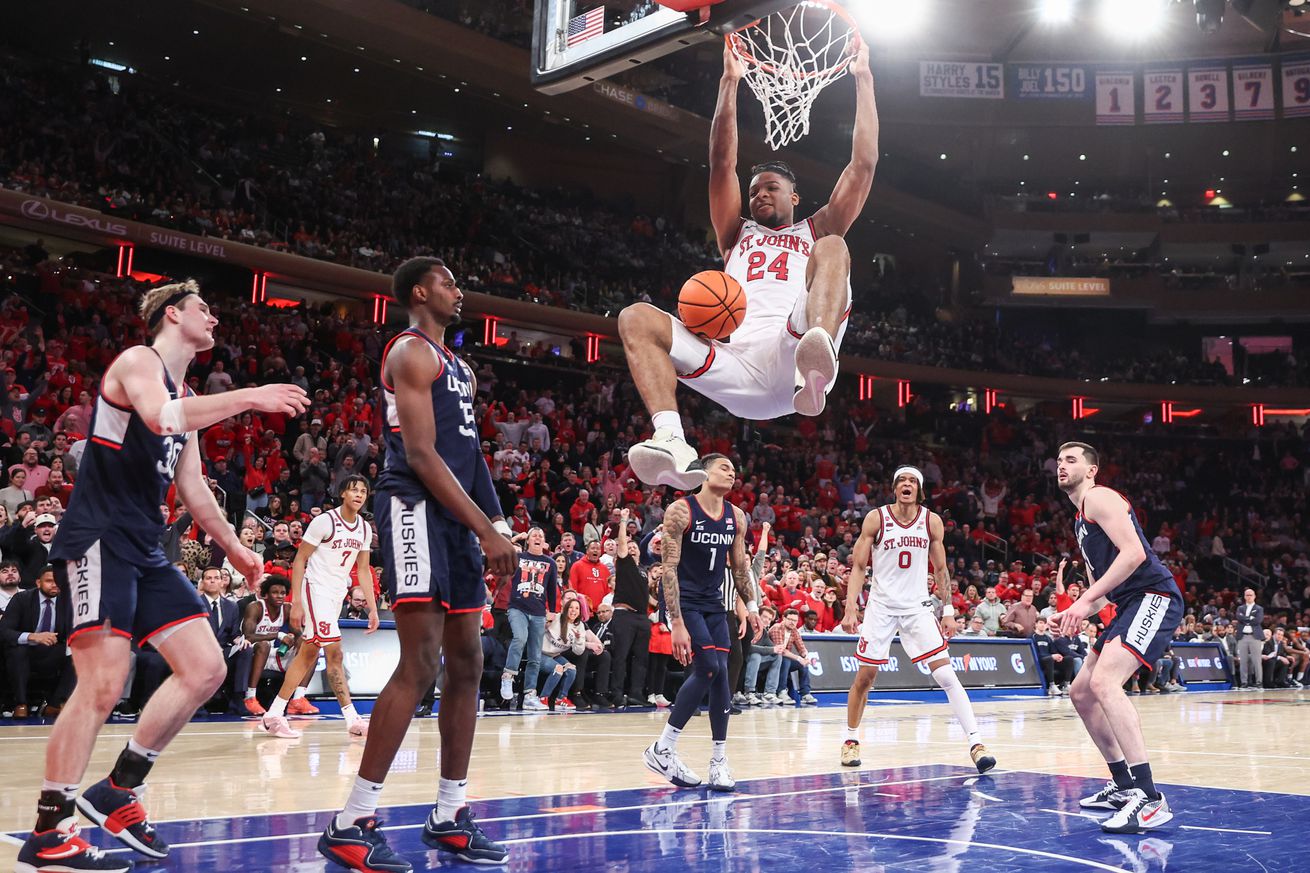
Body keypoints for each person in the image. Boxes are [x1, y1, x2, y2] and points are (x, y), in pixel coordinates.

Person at [15, 279, 308, 872]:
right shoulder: (137, 364)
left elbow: (194, 487)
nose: (215, 320)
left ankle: (119, 789)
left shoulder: (186, 392)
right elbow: (160, 416)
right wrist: (250, 396)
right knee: (103, 683)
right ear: (172, 314)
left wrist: (237, 551)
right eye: (205, 308)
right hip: (98, 537)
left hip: (144, 546)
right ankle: (49, 831)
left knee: (205, 668)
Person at [318, 257, 517, 871]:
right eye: (452, 282)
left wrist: (498, 523)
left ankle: (450, 812)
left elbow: (471, 457)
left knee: (468, 662)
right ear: (422, 291)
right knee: (422, 659)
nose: (461, 291)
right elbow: (425, 455)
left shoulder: (460, 366)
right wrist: (484, 529)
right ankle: (351, 820)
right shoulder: (409, 352)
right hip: (411, 504)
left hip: (456, 517)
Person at [621, 40, 878, 490]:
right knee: (636, 318)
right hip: (733, 364)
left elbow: (864, 164)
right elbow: (721, 162)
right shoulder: (735, 233)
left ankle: (815, 362)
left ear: (794, 197)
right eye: (754, 188)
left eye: (771, 187)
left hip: (792, 350)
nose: (759, 193)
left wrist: (863, 78)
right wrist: (729, 81)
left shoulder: (816, 229)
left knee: (835, 247)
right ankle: (672, 441)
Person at [1053, 441, 1185, 834]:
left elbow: (1135, 556)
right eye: (1058, 461)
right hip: (1128, 603)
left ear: (1092, 470)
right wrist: (1076, 609)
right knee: (1081, 692)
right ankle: (1123, 785)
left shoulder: (1099, 498)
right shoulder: (1080, 520)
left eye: (1071, 460)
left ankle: (1150, 797)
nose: (1061, 466)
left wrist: (1086, 600)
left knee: (1104, 681)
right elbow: (1103, 591)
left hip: (1153, 595)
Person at [840, 466, 995, 774]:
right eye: (901, 481)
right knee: (865, 677)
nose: (906, 485)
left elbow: (941, 570)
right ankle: (851, 741)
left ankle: (977, 744)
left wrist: (948, 610)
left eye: (912, 481)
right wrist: (849, 608)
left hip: (917, 607)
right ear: (895, 488)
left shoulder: (931, 521)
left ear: (919, 490)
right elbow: (858, 566)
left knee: (947, 675)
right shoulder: (876, 518)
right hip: (881, 607)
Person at [644, 454, 761, 792]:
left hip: (713, 603)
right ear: (703, 473)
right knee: (708, 666)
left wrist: (750, 605)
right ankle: (663, 747)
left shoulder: (736, 516)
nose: (732, 472)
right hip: (687, 602)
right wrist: (675, 621)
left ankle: (718, 760)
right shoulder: (681, 510)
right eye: (724, 467)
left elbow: (740, 568)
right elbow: (668, 567)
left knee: (722, 672)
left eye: (734, 469)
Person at [260, 475, 380, 739]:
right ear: (342, 494)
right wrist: (298, 600)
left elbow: (363, 569)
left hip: (336, 594)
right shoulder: (325, 521)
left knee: (309, 654)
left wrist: (372, 609)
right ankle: (352, 718)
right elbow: (300, 559)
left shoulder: (364, 528)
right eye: (353, 490)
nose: (359, 495)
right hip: (315, 590)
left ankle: (274, 714)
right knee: (334, 653)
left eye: (363, 491)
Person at [500, 527, 559, 712]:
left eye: (541, 535)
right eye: (534, 534)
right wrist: (516, 537)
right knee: (519, 638)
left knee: (535, 655)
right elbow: (502, 550)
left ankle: (530, 695)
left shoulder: (550, 563)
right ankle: (508, 676)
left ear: (544, 541)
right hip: (518, 608)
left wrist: (553, 611)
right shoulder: (518, 557)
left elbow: (551, 589)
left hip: (539, 612)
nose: (538, 537)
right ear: (528, 540)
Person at [1233, 588, 1264, 690]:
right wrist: (1250, 618)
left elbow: (1258, 620)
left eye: (1251, 595)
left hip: (1254, 636)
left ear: (1254, 596)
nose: (1249, 597)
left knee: (1256, 661)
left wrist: (1245, 619)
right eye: (1247, 595)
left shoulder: (1259, 608)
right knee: (1243, 661)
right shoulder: (1240, 608)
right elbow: (1239, 617)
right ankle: (1244, 682)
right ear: (1244, 596)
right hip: (1243, 636)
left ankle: (1259, 682)